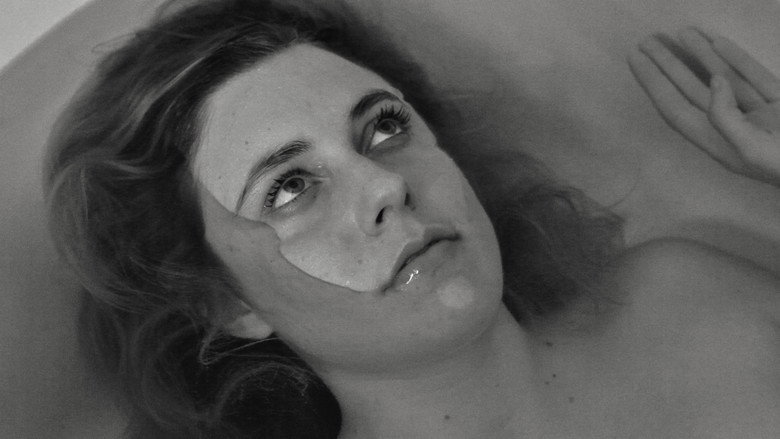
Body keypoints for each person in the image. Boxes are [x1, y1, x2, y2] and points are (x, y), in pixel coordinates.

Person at [44, 0, 779, 437]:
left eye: (385, 127)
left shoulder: (691, 301)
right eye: (290, 187)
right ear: (222, 300)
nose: (384, 186)